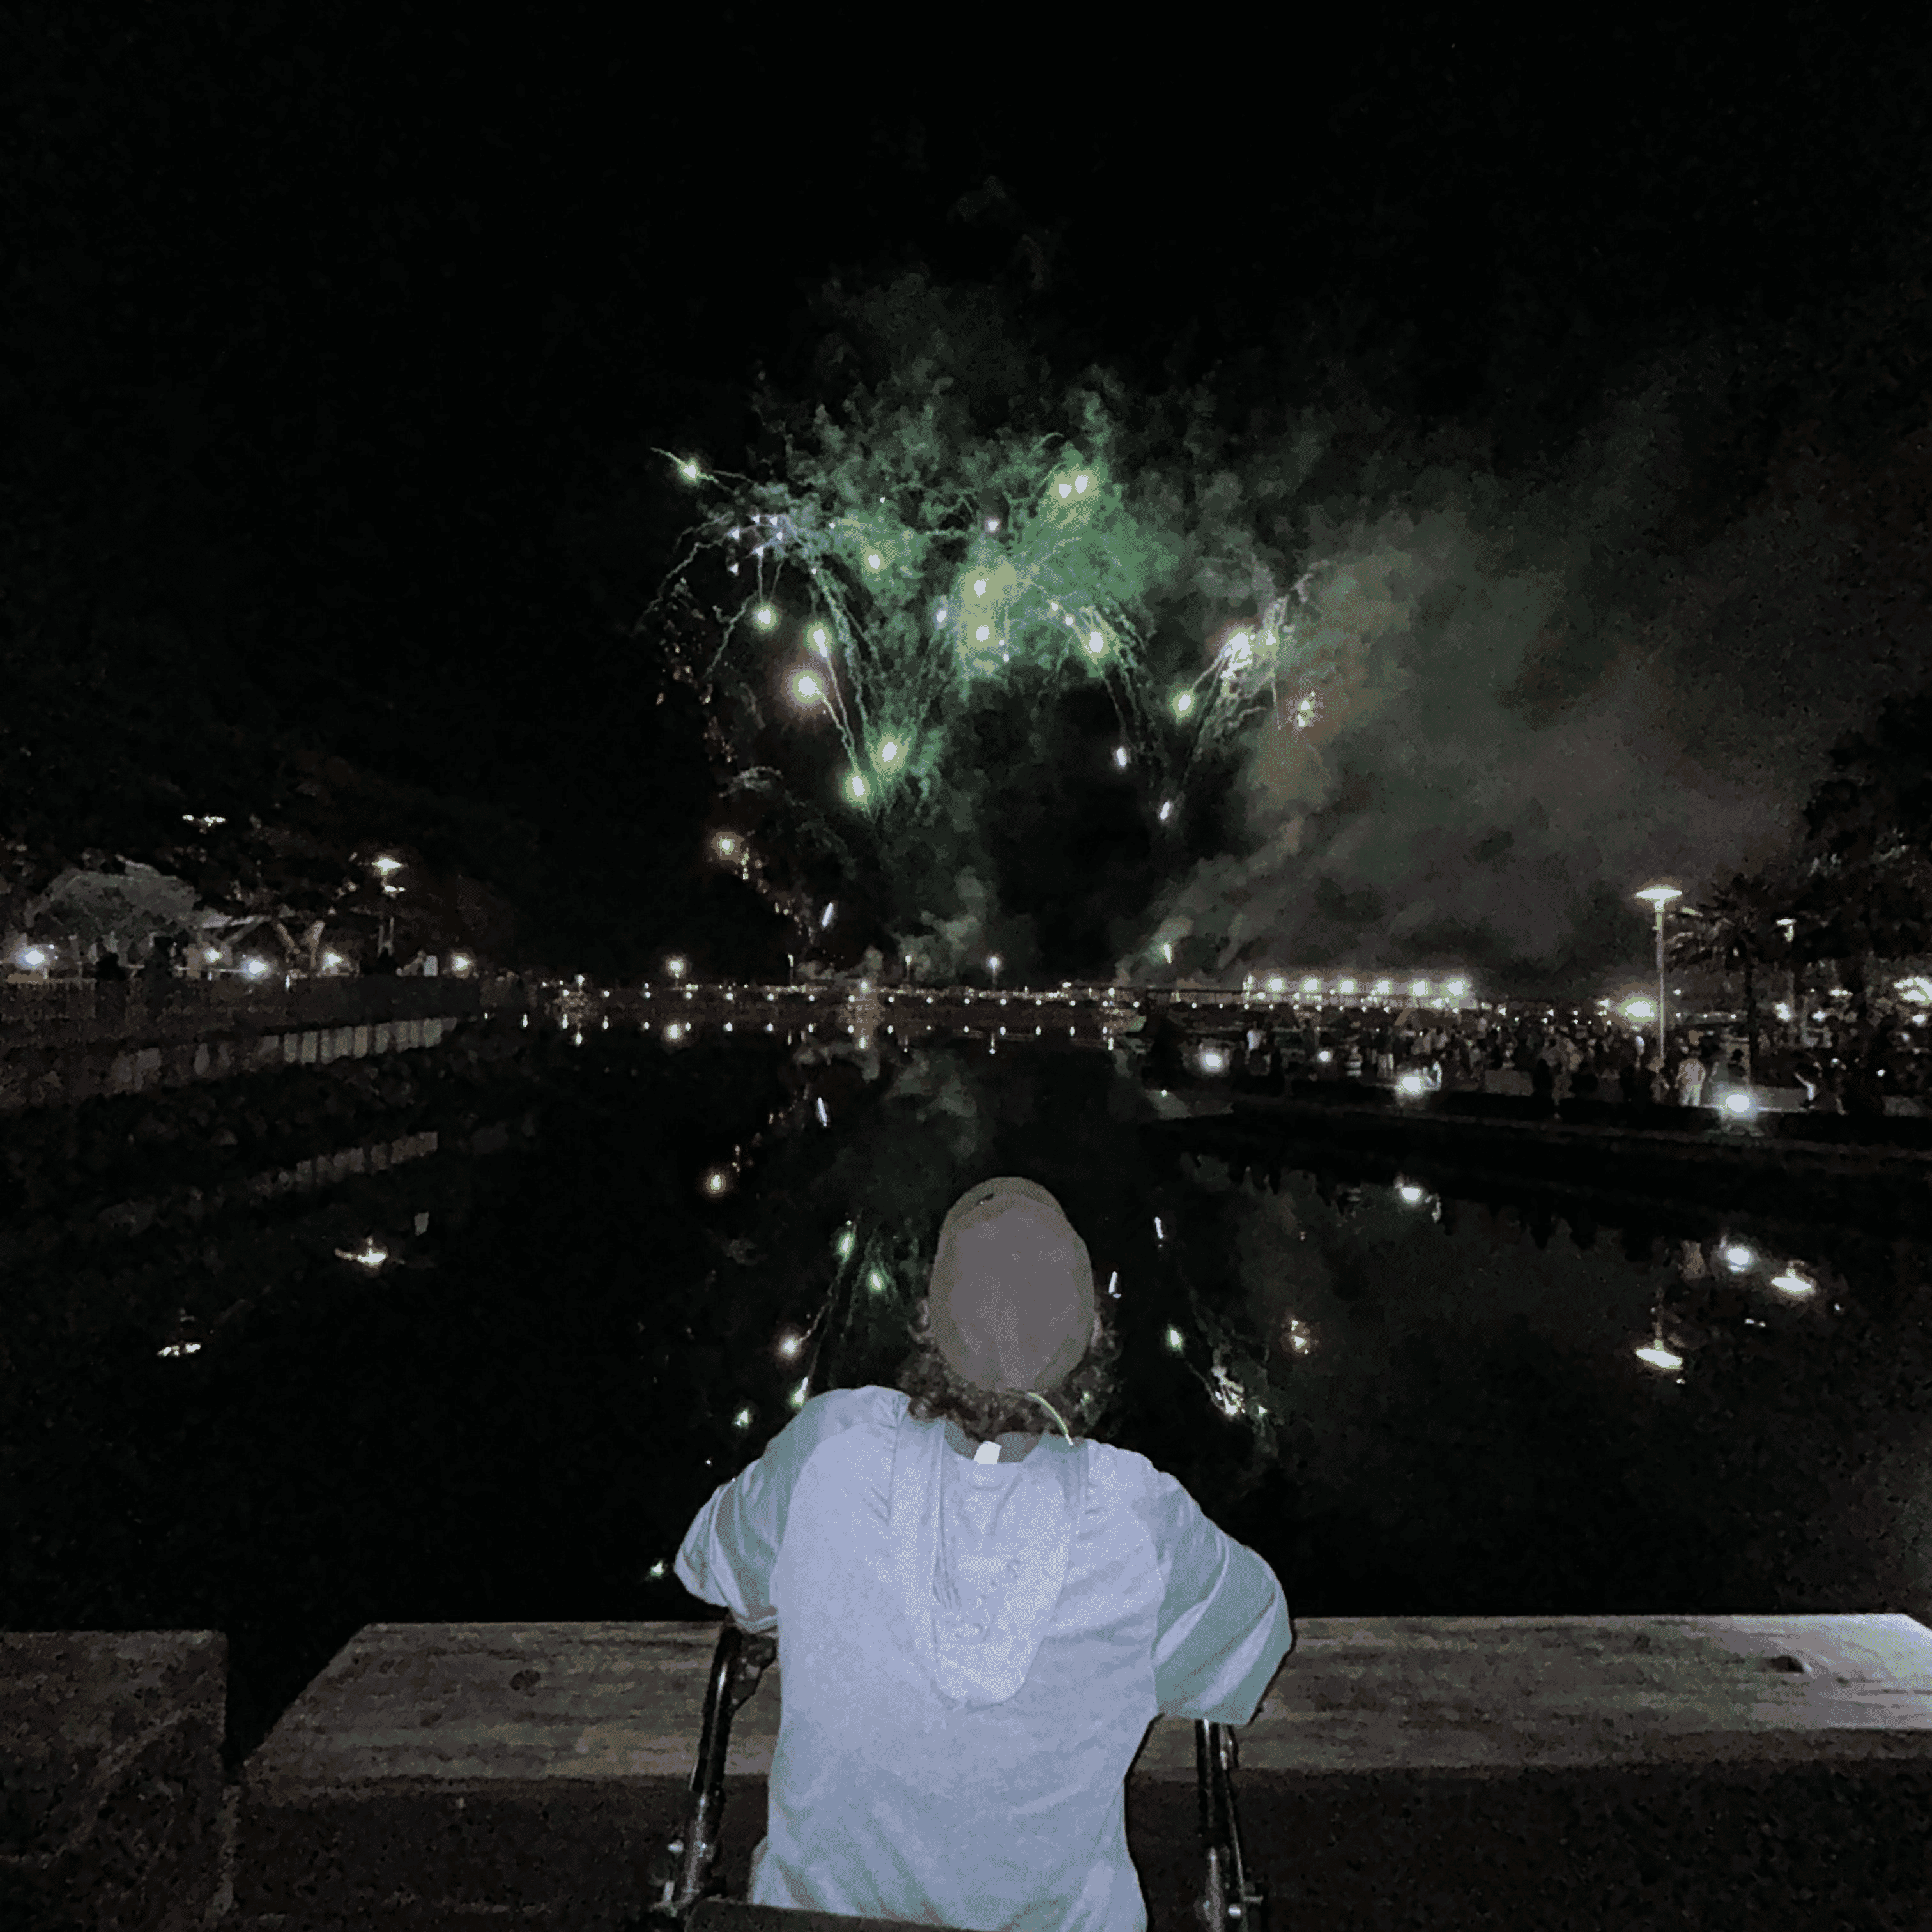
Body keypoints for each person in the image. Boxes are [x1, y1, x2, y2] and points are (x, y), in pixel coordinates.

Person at [674, 1177, 1292, 1931]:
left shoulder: (829, 1450)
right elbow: (1253, 1641)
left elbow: (713, 1565)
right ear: (1097, 1333)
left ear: (927, 1322)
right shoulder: (1141, 1517)